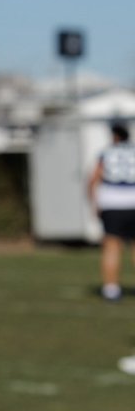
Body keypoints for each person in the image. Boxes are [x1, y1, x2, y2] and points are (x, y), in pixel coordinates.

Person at [87, 120, 135, 302]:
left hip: (112, 203)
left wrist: (94, 203)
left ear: (114, 135)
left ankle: (111, 289)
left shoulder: (106, 153)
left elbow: (93, 180)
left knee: (112, 247)